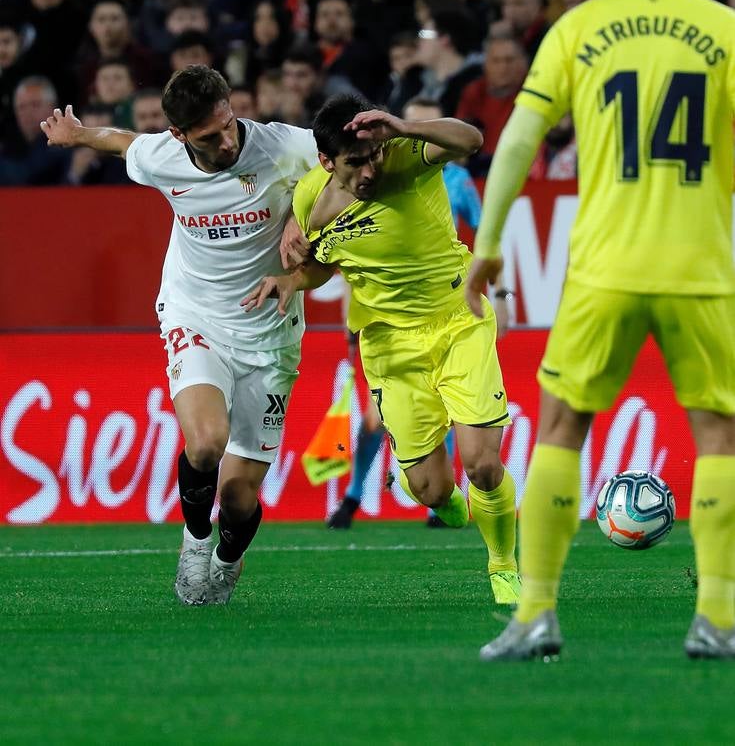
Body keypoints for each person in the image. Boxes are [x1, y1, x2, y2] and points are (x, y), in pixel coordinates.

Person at [466, 0, 735, 661]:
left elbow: (518, 138)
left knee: (560, 425)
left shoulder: (578, 28)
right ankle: (716, 620)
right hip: (700, 267)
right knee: (718, 436)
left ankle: (534, 616)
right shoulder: (723, 30)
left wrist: (487, 245)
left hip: (602, 267)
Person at [40, 65, 316, 606]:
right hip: (196, 314)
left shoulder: (283, 147)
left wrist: (305, 217)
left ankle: (228, 559)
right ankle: (194, 540)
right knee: (206, 442)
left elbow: (344, 169)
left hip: (270, 331)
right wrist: (79, 134)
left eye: (229, 124)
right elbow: (124, 142)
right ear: (179, 135)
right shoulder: (161, 158)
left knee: (239, 497)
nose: (227, 142)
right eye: (209, 137)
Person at [244, 93, 521, 607]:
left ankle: (504, 567)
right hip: (390, 345)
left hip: (458, 321)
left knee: (483, 464)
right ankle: (442, 499)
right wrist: (292, 280)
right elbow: (323, 264)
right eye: (356, 162)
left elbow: (471, 140)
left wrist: (403, 126)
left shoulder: (405, 156)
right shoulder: (310, 201)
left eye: (372, 155)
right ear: (327, 162)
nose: (370, 170)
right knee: (431, 490)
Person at [326, 95, 510, 531]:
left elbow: (488, 234)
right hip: (385, 324)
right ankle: (358, 494)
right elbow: (347, 254)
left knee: (456, 415)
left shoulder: (454, 178)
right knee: (373, 421)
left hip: (445, 309)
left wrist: (501, 292)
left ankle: (432, 497)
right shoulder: (368, 174)